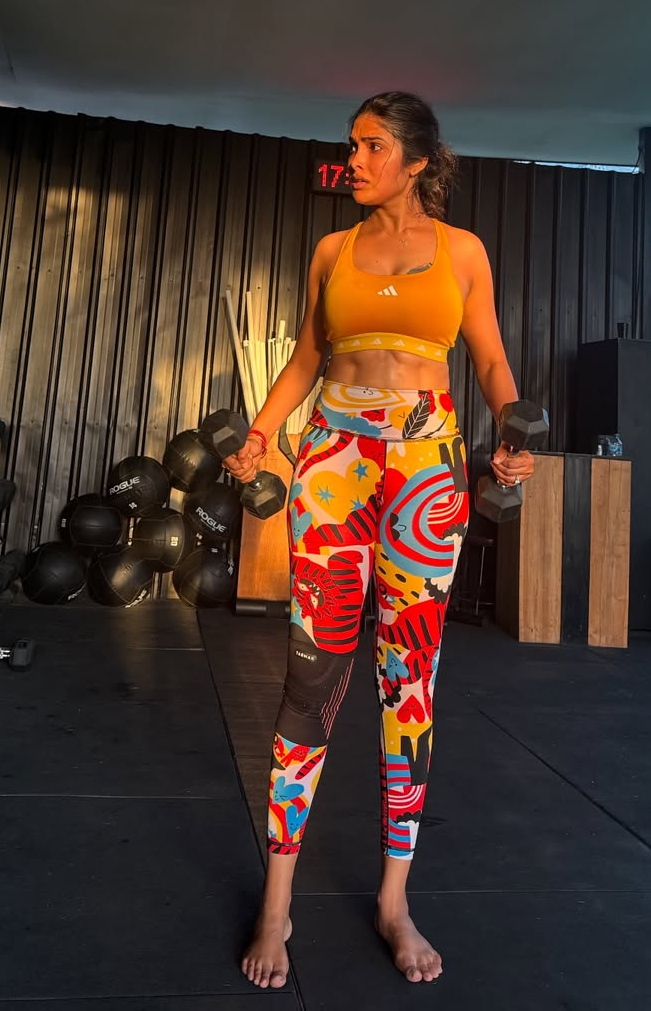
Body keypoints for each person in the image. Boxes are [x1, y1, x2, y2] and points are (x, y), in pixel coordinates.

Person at [222, 91, 536, 988]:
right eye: (352, 145)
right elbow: (306, 357)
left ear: (416, 159)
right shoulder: (333, 250)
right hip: (335, 459)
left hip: (427, 466)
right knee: (310, 674)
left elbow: (489, 359)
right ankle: (276, 903)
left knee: (410, 682)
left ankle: (394, 900)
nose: (352, 160)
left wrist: (513, 433)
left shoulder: (463, 252)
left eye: (370, 146)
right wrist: (261, 433)